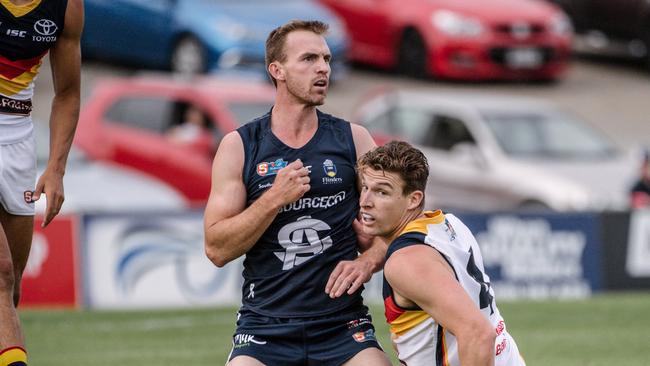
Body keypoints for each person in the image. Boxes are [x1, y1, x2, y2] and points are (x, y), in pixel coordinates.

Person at [203, 20, 391, 365]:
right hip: (263, 328)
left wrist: (369, 260)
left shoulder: (354, 139)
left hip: (342, 326)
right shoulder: (240, 146)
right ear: (277, 70)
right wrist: (274, 199)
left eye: (327, 59)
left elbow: (401, 226)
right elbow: (216, 249)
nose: (323, 68)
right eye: (308, 59)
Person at [357, 141, 526, 366]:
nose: (365, 201)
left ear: (414, 199)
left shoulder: (405, 262)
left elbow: (478, 334)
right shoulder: (450, 223)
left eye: (382, 192)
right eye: (365, 187)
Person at [0, 0, 83, 365]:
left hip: (18, 139)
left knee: (12, 290)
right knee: (0, 273)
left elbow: (67, 93)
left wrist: (56, 168)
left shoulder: (66, 6)